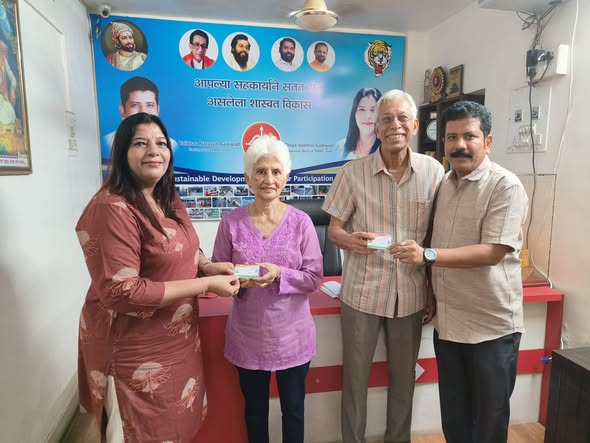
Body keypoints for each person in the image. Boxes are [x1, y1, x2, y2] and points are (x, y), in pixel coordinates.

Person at [76, 112, 240, 442]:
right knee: (140, 433)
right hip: (132, 352)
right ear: (122, 152)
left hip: (177, 344)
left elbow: (185, 247)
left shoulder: (166, 196)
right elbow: (122, 291)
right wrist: (206, 284)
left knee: (176, 430)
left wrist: (207, 266)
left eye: (161, 143)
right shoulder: (112, 208)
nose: (154, 151)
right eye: (141, 143)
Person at [391, 101, 528, 443]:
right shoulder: (445, 184)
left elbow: (492, 252)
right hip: (450, 326)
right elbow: (437, 238)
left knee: (488, 424)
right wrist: (430, 290)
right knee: (454, 420)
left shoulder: (505, 186)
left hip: (491, 329)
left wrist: (427, 256)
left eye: (470, 136)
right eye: (451, 137)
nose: (459, 145)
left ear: (488, 141)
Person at [322, 89, 444, 443]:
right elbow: (333, 229)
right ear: (375, 127)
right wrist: (350, 241)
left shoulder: (433, 172)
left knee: (404, 379)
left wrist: (431, 290)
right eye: (387, 119)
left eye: (403, 118)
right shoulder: (352, 173)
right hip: (362, 292)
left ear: (415, 125)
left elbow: (434, 237)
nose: (395, 125)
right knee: (355, 380)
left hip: (410, 294)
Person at [212, 135, 323, 443]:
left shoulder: (301, 222)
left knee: (294, 410)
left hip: (292, 336)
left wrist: (279, 275)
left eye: (276, 171)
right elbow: (218, 274)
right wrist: (236, 281)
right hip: (248, 335)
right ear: (248, 178)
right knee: (255, 412)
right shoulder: (231, 222)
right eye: (260, 171)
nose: (268, 179)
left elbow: (314, 277)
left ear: (286, 177)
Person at [102, 76, 177, 178]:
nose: (143, 111)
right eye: (140, 143)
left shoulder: (173, 144)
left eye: (149, 105)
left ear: (157, 110)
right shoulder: (107, 141)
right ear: (122, 110)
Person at [335, 87, 382, 160]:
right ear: (354, 113)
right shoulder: (340, 147)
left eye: (373, 110)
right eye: (362, 109)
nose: (367, 116)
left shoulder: (387, 149)